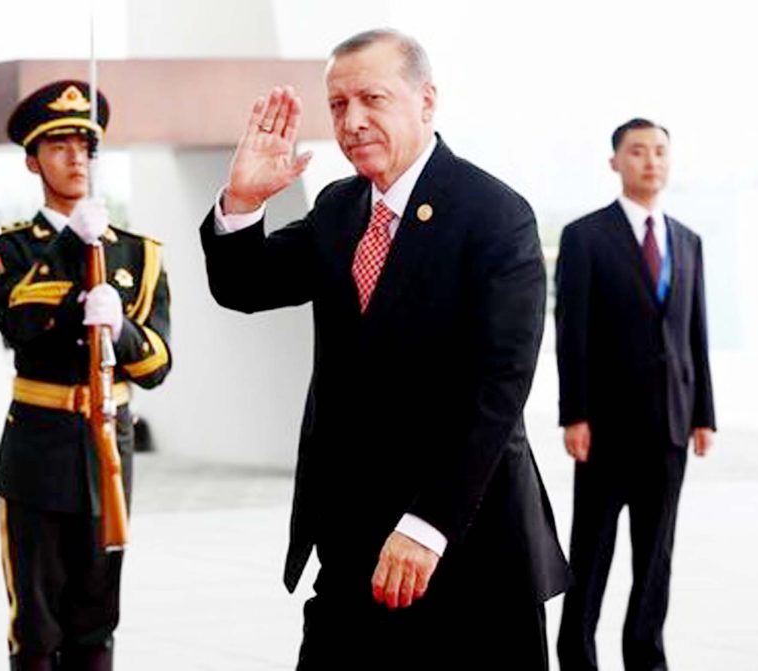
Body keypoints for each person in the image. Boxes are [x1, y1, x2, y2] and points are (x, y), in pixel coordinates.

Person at [200, 29, 569, 669]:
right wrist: (243, 202)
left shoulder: (494, 215)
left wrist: (428, 527)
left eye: (372, 98)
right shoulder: (340, 209)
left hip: (466, 545)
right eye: (338, 105)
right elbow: (246, 285)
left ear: (427, 102)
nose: (353, 121)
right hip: (351, 547)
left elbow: (500, 389)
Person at [0, 80, 171, 671]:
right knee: (35, 625)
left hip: (109, 444)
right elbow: (21, 322)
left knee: (96, 619)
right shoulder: (4, 249)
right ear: (33, 161)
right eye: (59, 147)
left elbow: (157, 365)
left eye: (86, 146)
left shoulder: (138, 254)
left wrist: (123, 330)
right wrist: (68, 248)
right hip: (38, 447)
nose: (76, 158)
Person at [554, 118, 716, 671]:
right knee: (592, 556)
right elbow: (571, 331)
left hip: (670, 428)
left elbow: (695, 334)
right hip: (605, 429)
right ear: (615, 162)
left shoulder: (687, 242)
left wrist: (704, 416)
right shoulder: (585, 237)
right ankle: (577, 656)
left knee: (656, 560)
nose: (651, 161)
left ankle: (646, 659)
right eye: (638, 151)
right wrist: (574, 414)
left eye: (660, 152)